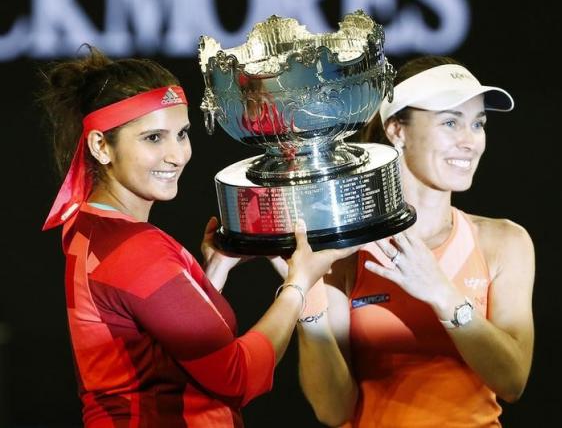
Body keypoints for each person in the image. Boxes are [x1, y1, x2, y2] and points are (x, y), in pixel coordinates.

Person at [39, 45, 357, 427]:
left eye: (182, 134)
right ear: (101, 146)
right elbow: (240, 377)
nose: (177, 155)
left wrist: (212, 272)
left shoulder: (91, 223)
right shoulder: (136, 250)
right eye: (153, 138)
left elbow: (153, 344)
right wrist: (299, 284)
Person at [274, 55, 535, 427]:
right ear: (397, 130)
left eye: (478, 124)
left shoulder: (506, 242)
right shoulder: (344, 251)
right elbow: (333, 410)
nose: (470, 141)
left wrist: (440, 293)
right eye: (450, 123)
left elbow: (512, 381)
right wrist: (307, 297)